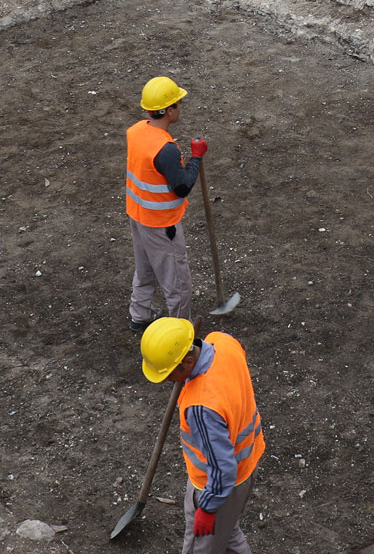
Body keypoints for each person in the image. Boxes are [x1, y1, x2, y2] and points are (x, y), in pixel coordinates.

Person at [141, 318, 266, 554]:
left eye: (168, 374)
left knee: (201, 548)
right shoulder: (222, 341)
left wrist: (208, 509)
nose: (167, 381)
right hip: (248, 463)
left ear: (188, 361)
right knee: (228, 534)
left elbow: (222, 467)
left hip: (219, 486)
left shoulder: (202, 407)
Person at [126, 77, 207, 331]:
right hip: (162, 225)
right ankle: (180, 332)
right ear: (168, 110)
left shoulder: (136, 131)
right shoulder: (166, 150)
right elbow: (182, 186)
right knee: (178, 283)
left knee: (145, 267)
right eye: (178, 103)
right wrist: (196, 156)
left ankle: (140, 314)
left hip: (138, 215)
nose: (181, 107)